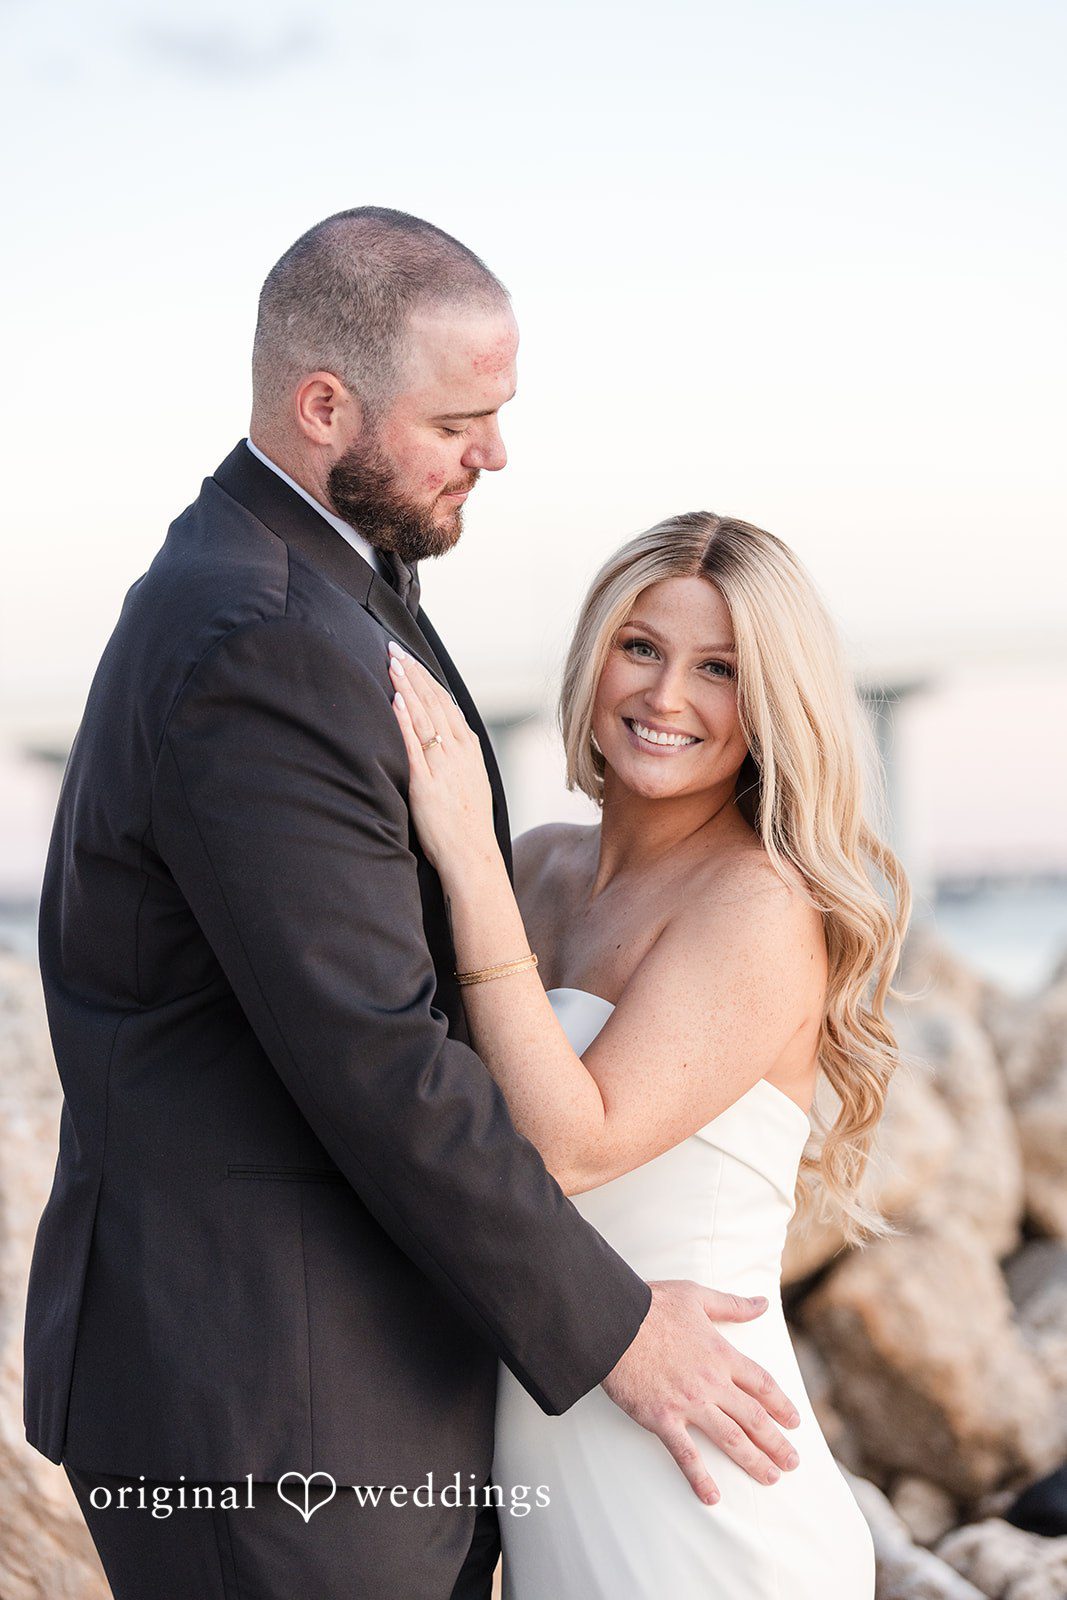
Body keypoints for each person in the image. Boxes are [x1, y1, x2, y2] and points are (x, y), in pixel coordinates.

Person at [22, 211, 801, 1600]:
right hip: (272, 1407)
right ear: (326, 407)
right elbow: (378, 1055)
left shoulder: (313, 592)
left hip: (357, 1395)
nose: (492, 453)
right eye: (460, 419)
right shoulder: (263, 635)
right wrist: (618, 1334)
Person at [389, 509, 911, 1597]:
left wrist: (465, 862)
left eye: (718, 668)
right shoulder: (534, 867)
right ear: (595, 656)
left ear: (769, 706)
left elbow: (565, 1149)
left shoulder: (759, 904)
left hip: (707, 1482)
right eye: (641, 646)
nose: (665, 697)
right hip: (555, 1455)